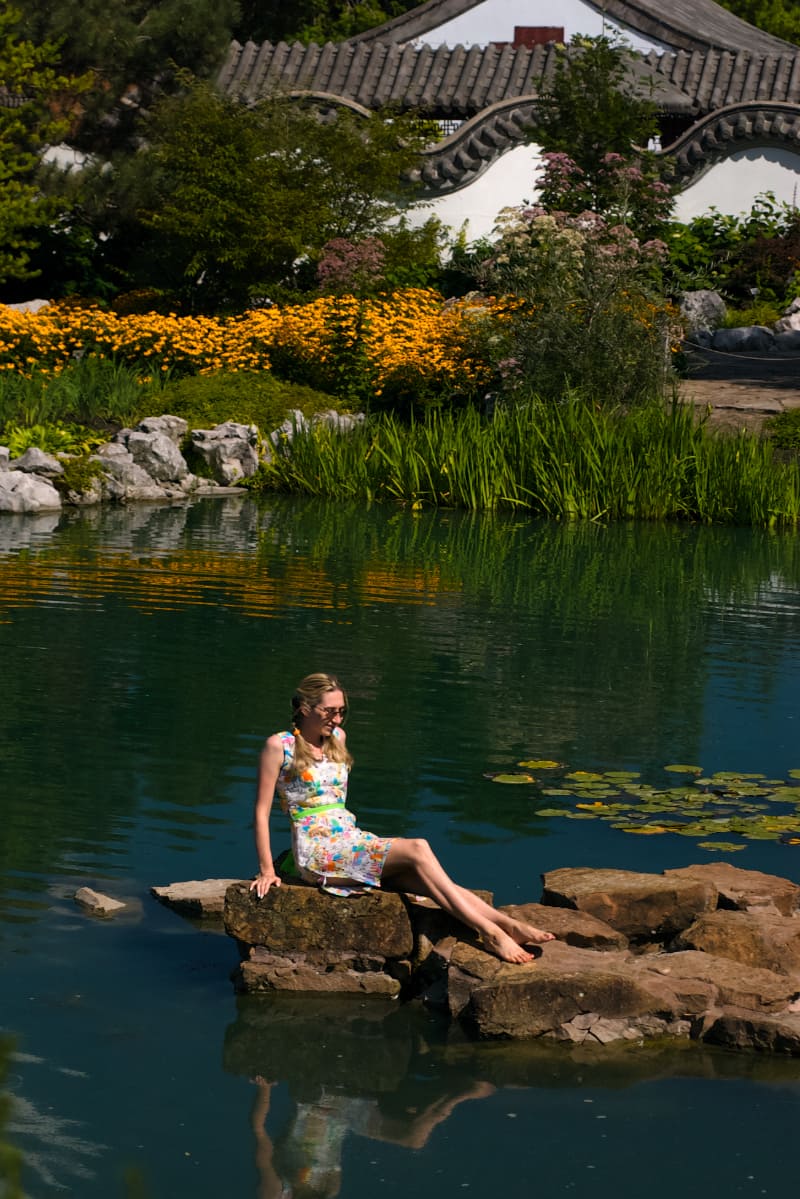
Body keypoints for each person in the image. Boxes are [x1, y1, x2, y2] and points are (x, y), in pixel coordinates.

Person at [250, 672, 554, 964]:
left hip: (350, 839)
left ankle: (506, 924)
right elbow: (261, 812)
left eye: (342, 711)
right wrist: (267, 870)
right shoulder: (280, 746)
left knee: (425, 879)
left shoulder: (338, 738)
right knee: (418, 848)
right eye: (330, 712)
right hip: (317, 852)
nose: (338, 719)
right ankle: (491, 933)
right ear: (305, 707)